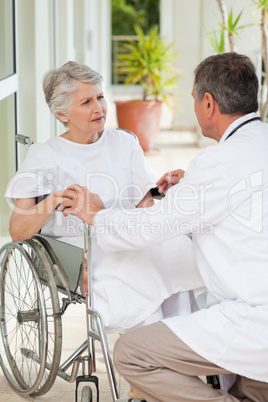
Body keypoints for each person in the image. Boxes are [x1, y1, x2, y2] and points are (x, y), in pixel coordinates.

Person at [57, 53, 268, 401]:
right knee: (250, 386)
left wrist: (97, 214)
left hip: (254, 319)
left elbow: (150, 227)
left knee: (131, 353)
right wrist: (190, 187)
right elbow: (239, 197)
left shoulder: (215, 164)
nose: (98, 107)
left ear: (209, 104)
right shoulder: (251, 147)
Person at [5, 61, 203, 339]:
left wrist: (162, 194)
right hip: (84, 254)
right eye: (86, 102)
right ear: (62, 113)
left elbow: (143, 209)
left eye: (100, 97)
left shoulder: (123, 143)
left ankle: (175, 355)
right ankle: (149, 363)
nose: (99, 107)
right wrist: (52, 200)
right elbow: (17, 231)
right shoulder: (45, 155)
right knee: (141, 278)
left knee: (175, 256)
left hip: (127, 236)